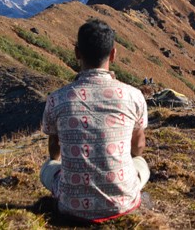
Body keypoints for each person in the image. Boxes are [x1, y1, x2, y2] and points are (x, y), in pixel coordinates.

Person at [39, 19, 150, 222]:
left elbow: (54, 149)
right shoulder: (133, 96)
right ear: (113, 54)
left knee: (47, 168)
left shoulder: (56, 99)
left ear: (77, 53)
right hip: (122, 203)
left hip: (70, 206)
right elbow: (138, 146)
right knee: (141, 164)